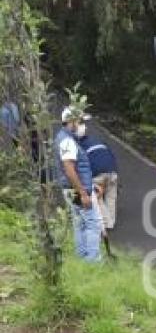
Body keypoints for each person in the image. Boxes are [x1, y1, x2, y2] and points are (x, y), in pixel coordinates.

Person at [54, 106, 102, 262]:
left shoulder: (67, 139)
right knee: (92, 224)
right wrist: (82, 193)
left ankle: (83, 258)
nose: (83, 125)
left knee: (80, 224)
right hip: (75, 190)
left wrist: (89, 186)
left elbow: (76, 169)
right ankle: (93, 261)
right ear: (71, 122)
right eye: (80, 121)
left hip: (74, 188)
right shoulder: (67, 141)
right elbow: (69, 169)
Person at [77, 125, 119, 230]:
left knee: (97, 196)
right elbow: (111, 155)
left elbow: (81, 166)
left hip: (97, 173)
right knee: (111, 196)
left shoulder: (79, 146)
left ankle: (106, 222)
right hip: (112, 170)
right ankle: (111, 222)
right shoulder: (98, 140)